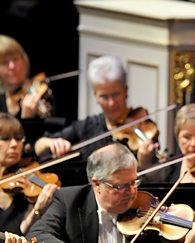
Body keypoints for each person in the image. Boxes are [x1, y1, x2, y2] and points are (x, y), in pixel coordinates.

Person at [26, 143, 195, 243]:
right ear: (97, 184)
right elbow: (38, 233)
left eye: (134, 182)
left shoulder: (147, 210)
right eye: (121, 186)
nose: (132, 192)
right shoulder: (69, 200)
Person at [33, 55, 157, 186]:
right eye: (104, 97)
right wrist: (51, 143)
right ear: (95, 96)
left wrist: (145, 163)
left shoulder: (142, 126)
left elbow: (155, 180)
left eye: (116, 94)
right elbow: (38, 146)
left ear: (125, 90)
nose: (111, 103)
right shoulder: (89, 126)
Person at [0, 112, 58, 237]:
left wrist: (37, 209)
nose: (15, 144)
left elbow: (18, 233)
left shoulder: (26, 190)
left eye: (19, 138)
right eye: (5, 138)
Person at [0, 35, 55, 119]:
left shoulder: (40, 90)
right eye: (4, 62)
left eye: (15, 59)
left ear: (24, 60)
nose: (12, 66)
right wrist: (26, 118)